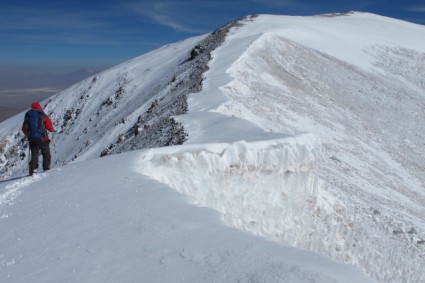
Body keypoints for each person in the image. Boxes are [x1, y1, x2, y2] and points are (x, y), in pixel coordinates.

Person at [22, 102, 55, 176]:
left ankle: (33, 171)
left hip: (32, 139)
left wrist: (28, 135)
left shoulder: (28, 114)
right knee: (46, 154)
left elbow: (24, 128)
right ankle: (46, 168)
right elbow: (49, 126)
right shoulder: (42, 114)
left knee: (34, 155)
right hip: (43, 138)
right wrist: (52, 130)